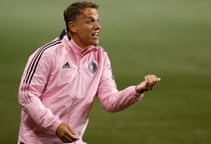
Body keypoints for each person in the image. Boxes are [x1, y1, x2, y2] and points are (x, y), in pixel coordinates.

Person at [17, 1, 161, 144]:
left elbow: (110, 101)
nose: (98, 26)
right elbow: (26, 95)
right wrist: (55, 125)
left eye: (98, 21)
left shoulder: (100, 57)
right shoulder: (48, 54)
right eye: (90, 21)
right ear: (73, 26)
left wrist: (138, 90)